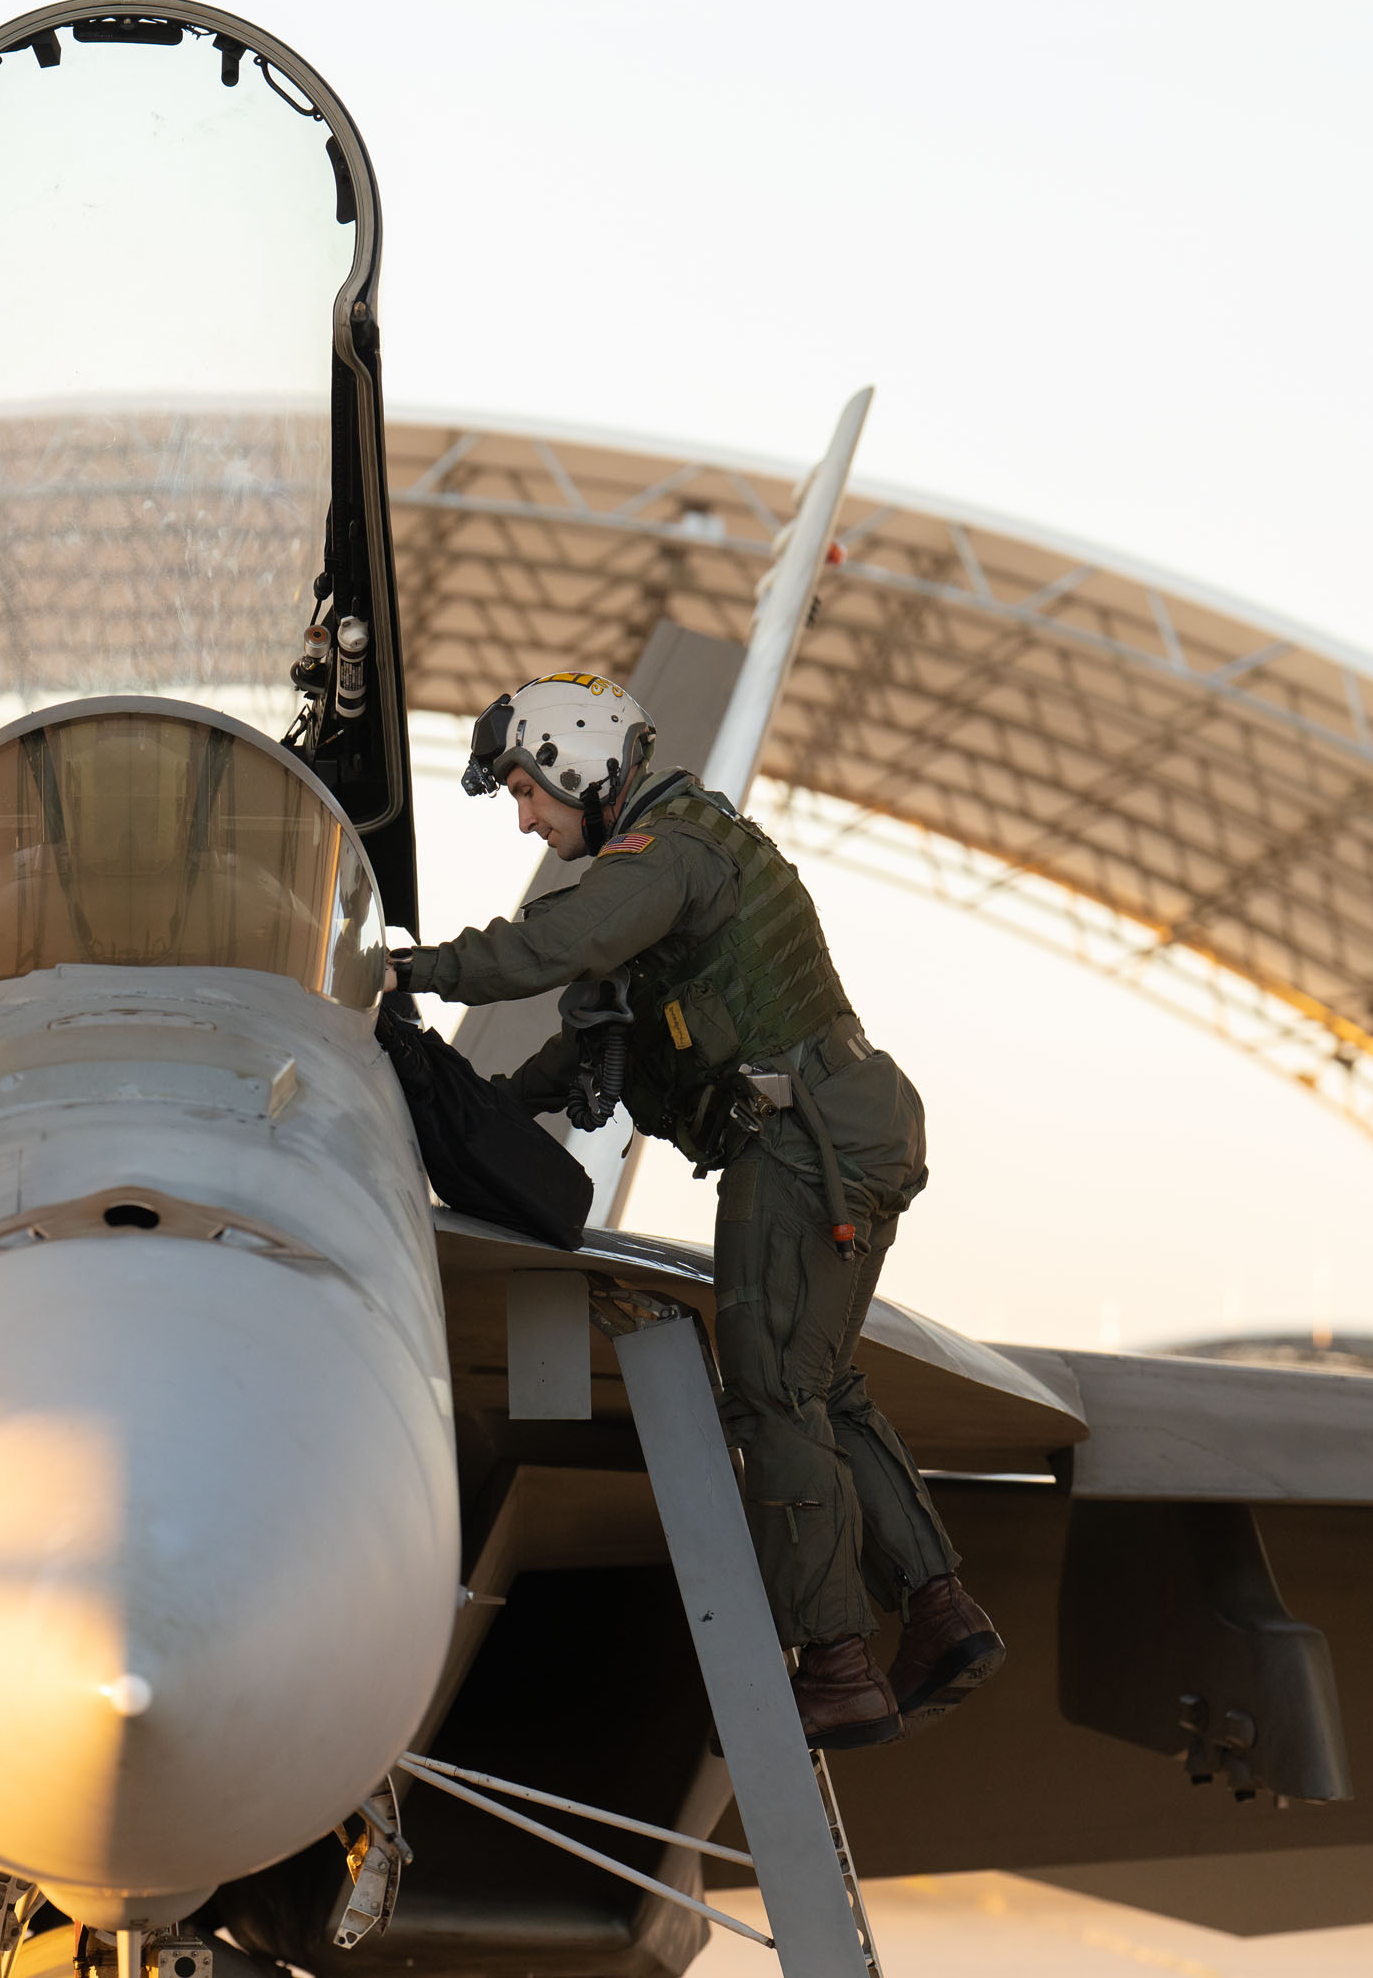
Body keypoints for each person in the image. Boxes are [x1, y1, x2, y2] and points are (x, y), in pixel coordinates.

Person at [385, 670, 1004, 1748]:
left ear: (577, 761)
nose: (526, 819)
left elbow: (548, 949)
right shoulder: (671, 867)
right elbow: (587, 1039)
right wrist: (480, 1105)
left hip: (800, 1140)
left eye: (527, 791)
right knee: (822, 1385)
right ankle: (942, 1615)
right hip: (845, 1123)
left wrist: (400, 970)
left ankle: (837, 1666)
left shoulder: (662, 854)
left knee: (770, 1392)